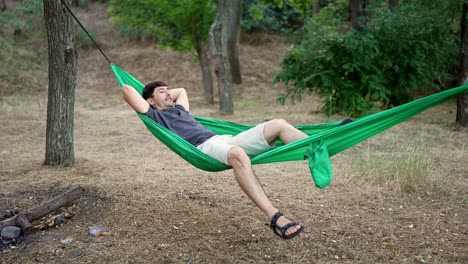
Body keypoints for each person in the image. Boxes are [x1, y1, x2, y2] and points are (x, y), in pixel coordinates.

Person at [122, 81, 308, 240]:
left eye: (168, 90)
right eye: (162, 92)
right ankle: (275, 217)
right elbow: (127, 91)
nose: (169, 93)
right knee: (238, 155)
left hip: (224, 139)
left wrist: (165, 92)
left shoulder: (180, 109)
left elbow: (182, 92)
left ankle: (318, 147)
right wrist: (121, 74)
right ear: (150, 101)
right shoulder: (155, 115)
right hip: (205, 147)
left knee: (278, 124)